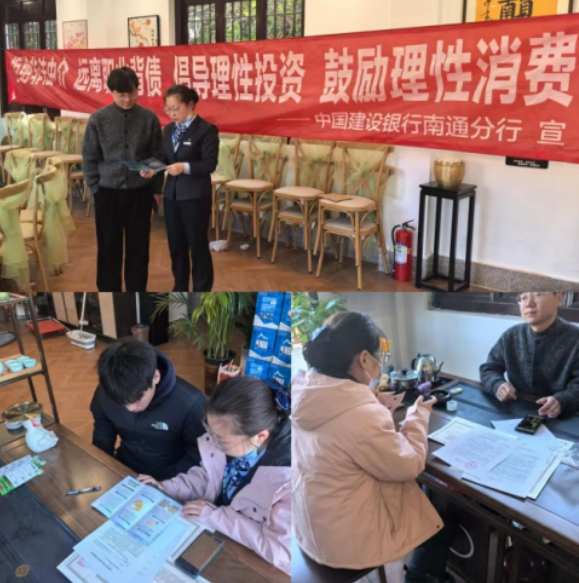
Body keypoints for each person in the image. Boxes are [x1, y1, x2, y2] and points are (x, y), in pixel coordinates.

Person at [292, 311, 450, 581]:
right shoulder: (360, 414)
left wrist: (372, 403)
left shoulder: (304, 389)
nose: (381, 367)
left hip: (312, 529)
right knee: (433, 504)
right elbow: (409, 464)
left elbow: (343, 434)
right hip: (348, 546)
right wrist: (417, 415)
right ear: (364, 358)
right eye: (380, 358)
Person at [138, 376, 291, 575]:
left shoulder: (290, 482)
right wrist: (166, 488)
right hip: (212, 534)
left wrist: (215, 517)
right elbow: (207, 476)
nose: (213, 442)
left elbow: (282, 553)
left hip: (248, 564)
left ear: (260, 437)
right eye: (209, 430)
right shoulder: (229, 439)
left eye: (221, 440)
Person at [83, 67, 163, 292]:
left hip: (140, 192)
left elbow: (158, 155)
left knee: (139, 248)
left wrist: (156, 188)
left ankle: (136, 290)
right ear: (111, 92)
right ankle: (110, 292)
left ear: (138, 90)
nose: (127, 99)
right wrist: (95, 187)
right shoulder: (98, 119)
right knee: (108, 247)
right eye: (121, 95)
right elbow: (89, 156)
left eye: (132, 93)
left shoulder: (149, 119)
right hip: (107, 193)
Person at [90, 338, 205, 480]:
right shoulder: (109, 391)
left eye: (138, 398)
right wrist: (102, 466)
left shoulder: (192, 404)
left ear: (155, 377)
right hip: (125, 468)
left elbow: (198, 455)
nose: (130, 408)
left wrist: (166, 484)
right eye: (122, 402)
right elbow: (103, 434)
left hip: (170, 478)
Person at [141, 84, 218, 292]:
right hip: (172, 196)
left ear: (190, 105)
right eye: (168, 109)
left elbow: (209, 164)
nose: (172, 113)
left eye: (176, 108)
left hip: (195, 196)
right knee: (176, 245)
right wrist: (151, 168)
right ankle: (180, 287)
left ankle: (202, 289)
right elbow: (163, 158)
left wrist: (184, 167)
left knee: (197, 245)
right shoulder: (169, 130)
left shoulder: (206, 130)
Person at [480, 291, 579, 418]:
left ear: (559, 297)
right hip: (516, 410)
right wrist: (497, 384)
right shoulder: (511, 335)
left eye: (538, 294)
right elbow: (488, 369)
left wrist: (563, 400)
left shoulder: (575, 339)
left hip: (562, 416)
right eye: (523, 297)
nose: (528, 303)